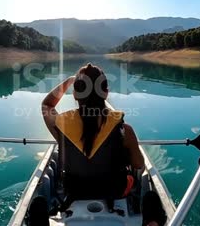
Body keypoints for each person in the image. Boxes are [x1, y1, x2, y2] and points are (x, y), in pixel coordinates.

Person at [41, 63, 144, 200]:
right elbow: (139, 164)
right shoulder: (125, 131)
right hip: (116, 192)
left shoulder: (61, 126)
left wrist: (69, 81)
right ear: (106, 93)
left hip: (75, 192)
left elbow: (47, 105)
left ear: (75, 95)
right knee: (147, 195)